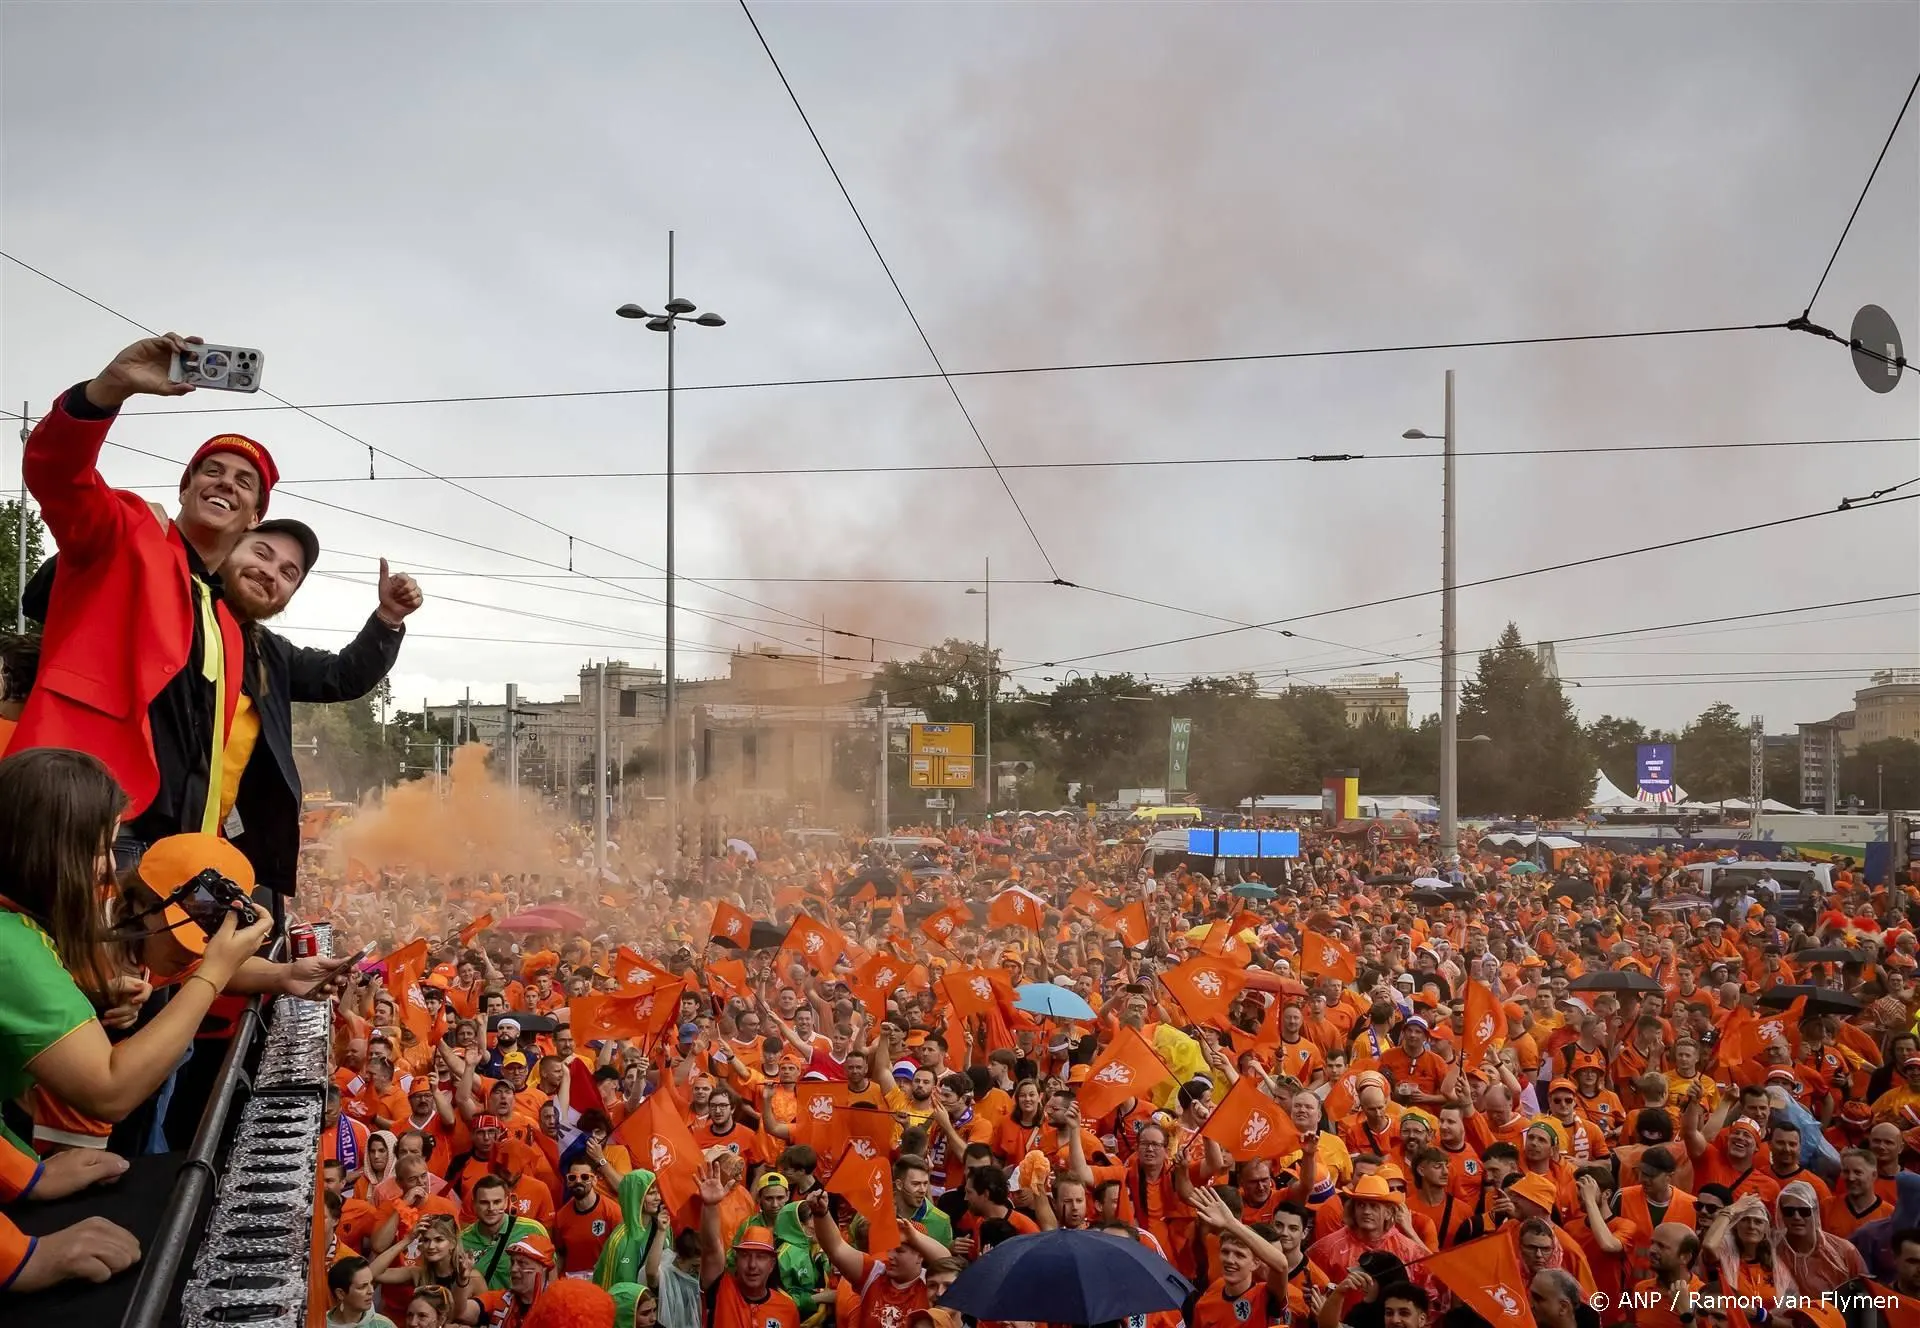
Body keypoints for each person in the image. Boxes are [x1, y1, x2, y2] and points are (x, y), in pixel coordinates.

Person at [0, 751, 274, 1152]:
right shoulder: (13, 946)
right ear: (50, 852)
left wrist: (28, 1177)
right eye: (99, 850)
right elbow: (110, 1091)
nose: (107, 868)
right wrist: (212, 973)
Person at [694, 1160, 797, 1328]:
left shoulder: (788, 1308)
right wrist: (711, 1206)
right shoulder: (722, 1289)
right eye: (745, 1255)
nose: (752, 1265)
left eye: (761, 1257)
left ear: (772, 1264)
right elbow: (711, 1247)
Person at [329, 1255, 401, 1328]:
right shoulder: (320, 1324)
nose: (371, 1291)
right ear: (340, 1294)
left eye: (371, 1283)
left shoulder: (384, 1325)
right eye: (362, 1287)